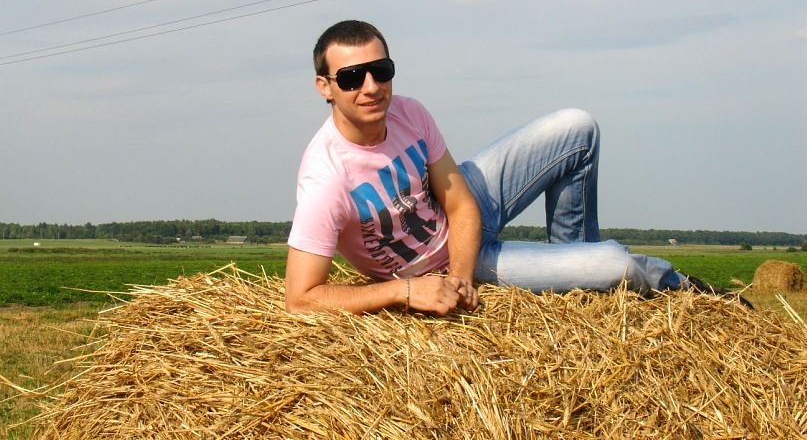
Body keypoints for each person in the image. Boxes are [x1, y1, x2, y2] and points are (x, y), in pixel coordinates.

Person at [285, 20, 746, 315]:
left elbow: (461, 204)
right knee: (617, 264)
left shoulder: (410, 112)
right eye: (352, 77)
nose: (371, 87)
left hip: (465, 227)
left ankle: (576, 265)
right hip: (431, 263)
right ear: (325, 87)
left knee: (578, 127)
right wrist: (403, 291)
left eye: (381, 70)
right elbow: (300, 298)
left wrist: (460, 277)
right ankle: (673, 282)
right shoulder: (326, 179)